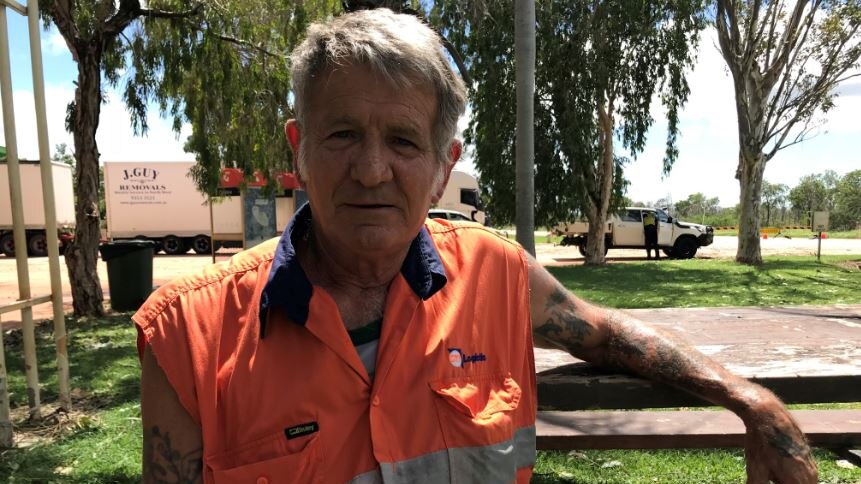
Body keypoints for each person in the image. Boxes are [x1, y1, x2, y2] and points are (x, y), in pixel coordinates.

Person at [135, 8, 817, 484]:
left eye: (402, 142)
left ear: (441, 164)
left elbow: (606, 334)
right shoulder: (186, 336)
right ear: (299, 149)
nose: (372, 170)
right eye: (342, 134)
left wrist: (749, 399)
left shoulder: (495, 275)